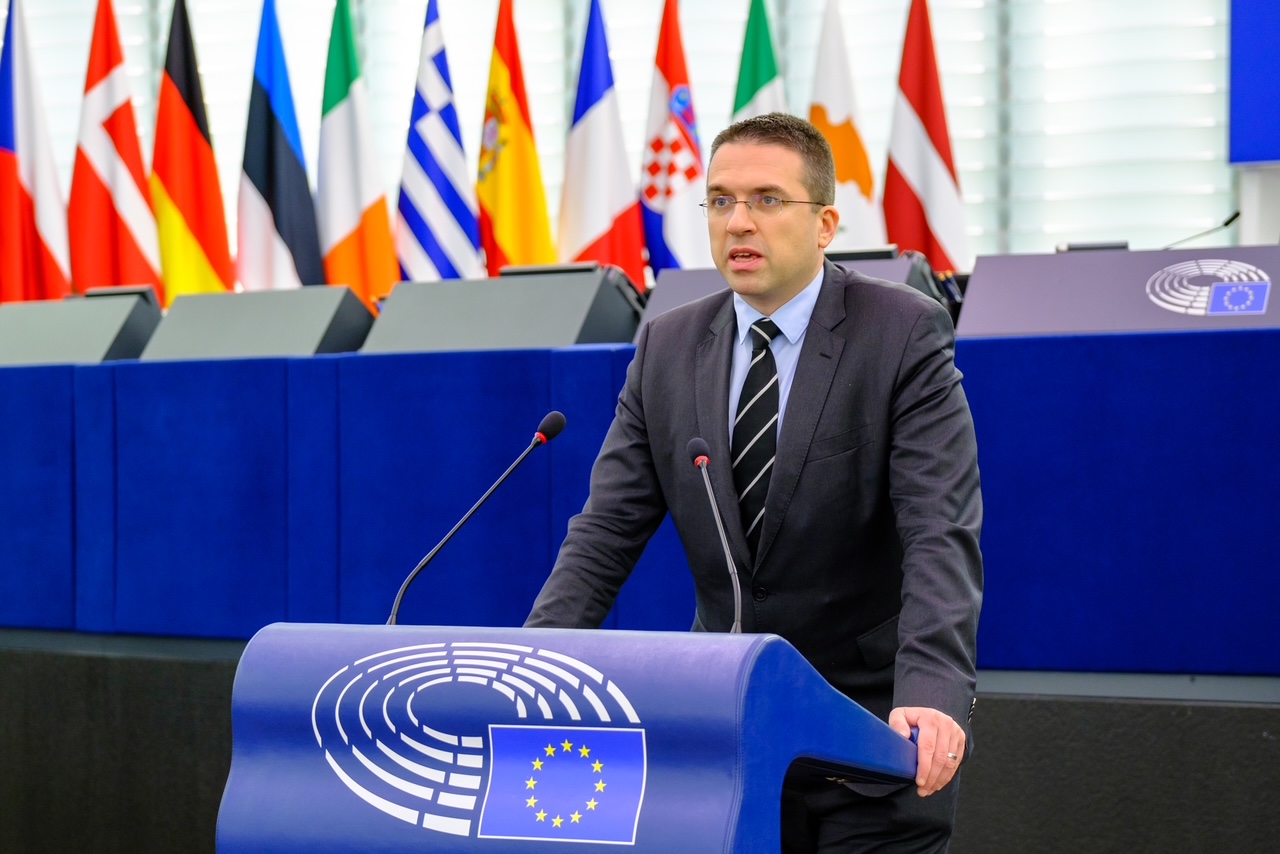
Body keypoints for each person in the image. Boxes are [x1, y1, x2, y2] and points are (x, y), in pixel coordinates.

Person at [525, 112, 982, 853]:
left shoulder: (901, 333)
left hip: (868, 737)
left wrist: (932, 692)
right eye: (720, 200)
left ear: (826, 223)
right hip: (724, 738)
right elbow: (605, 533)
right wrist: (532, 669)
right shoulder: (667, 344)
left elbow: (940, 529)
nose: (738, 221)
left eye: (767, 199)